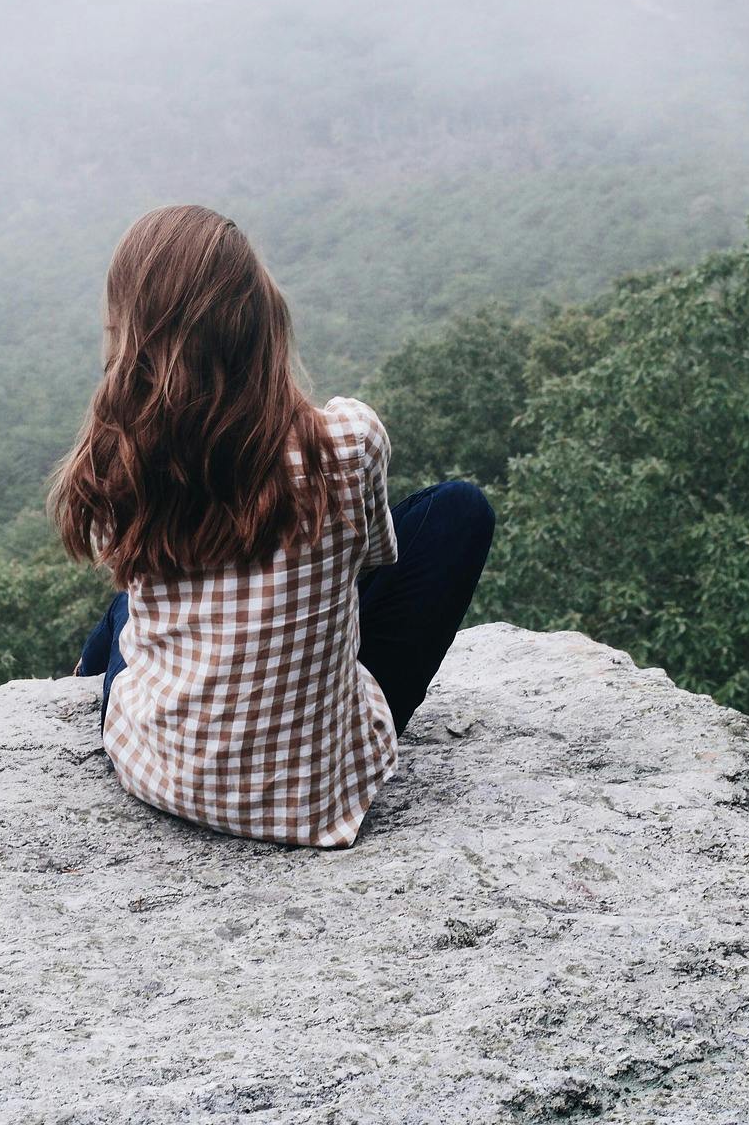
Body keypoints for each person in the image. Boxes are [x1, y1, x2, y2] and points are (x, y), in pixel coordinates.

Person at [47, 204, 493, 848]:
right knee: (458, 511)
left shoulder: (123, 460)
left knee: (127, 605)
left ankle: (87, 674)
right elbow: (369, 563)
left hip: (159, 771)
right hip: (316, 798)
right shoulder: (350, 440)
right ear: (260, 318)